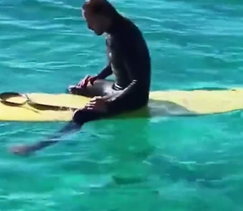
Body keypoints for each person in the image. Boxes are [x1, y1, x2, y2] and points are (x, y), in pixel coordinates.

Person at [10, 0, 151, 155]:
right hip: (117, 87)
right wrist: (97, 77)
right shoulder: (114, 31)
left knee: (81, 115)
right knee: (76, 89)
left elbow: (139, 83)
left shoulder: (125, 37)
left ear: (104, 16)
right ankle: (92, 98)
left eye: (90, 21)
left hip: (133, 97)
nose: (89, 27)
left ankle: (36, 148)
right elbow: (116, 63)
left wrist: (107, 103)